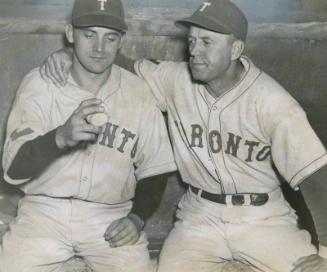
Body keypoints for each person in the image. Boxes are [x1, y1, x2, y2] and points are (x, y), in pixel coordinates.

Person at [40, 0, 327, 271]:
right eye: (191, 41)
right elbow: (124, 64)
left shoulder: (273, 103)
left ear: (236, 49)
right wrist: (70, 53)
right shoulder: (175, 79)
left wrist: (326, 251)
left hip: (262, 219)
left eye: (207, 42)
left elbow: (316, 177)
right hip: (199, 217)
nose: (194, 51)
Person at [1, 0, 177, 271]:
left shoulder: (139, 92)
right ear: (70, 33)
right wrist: (59, 138)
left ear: (121, 42)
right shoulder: (39, 84)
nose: (98, 48)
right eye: (89, 34)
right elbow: (13, 169)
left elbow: (155, 168)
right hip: (44, 212)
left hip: (109, 215)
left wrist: (137, 218)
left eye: (110, 38)